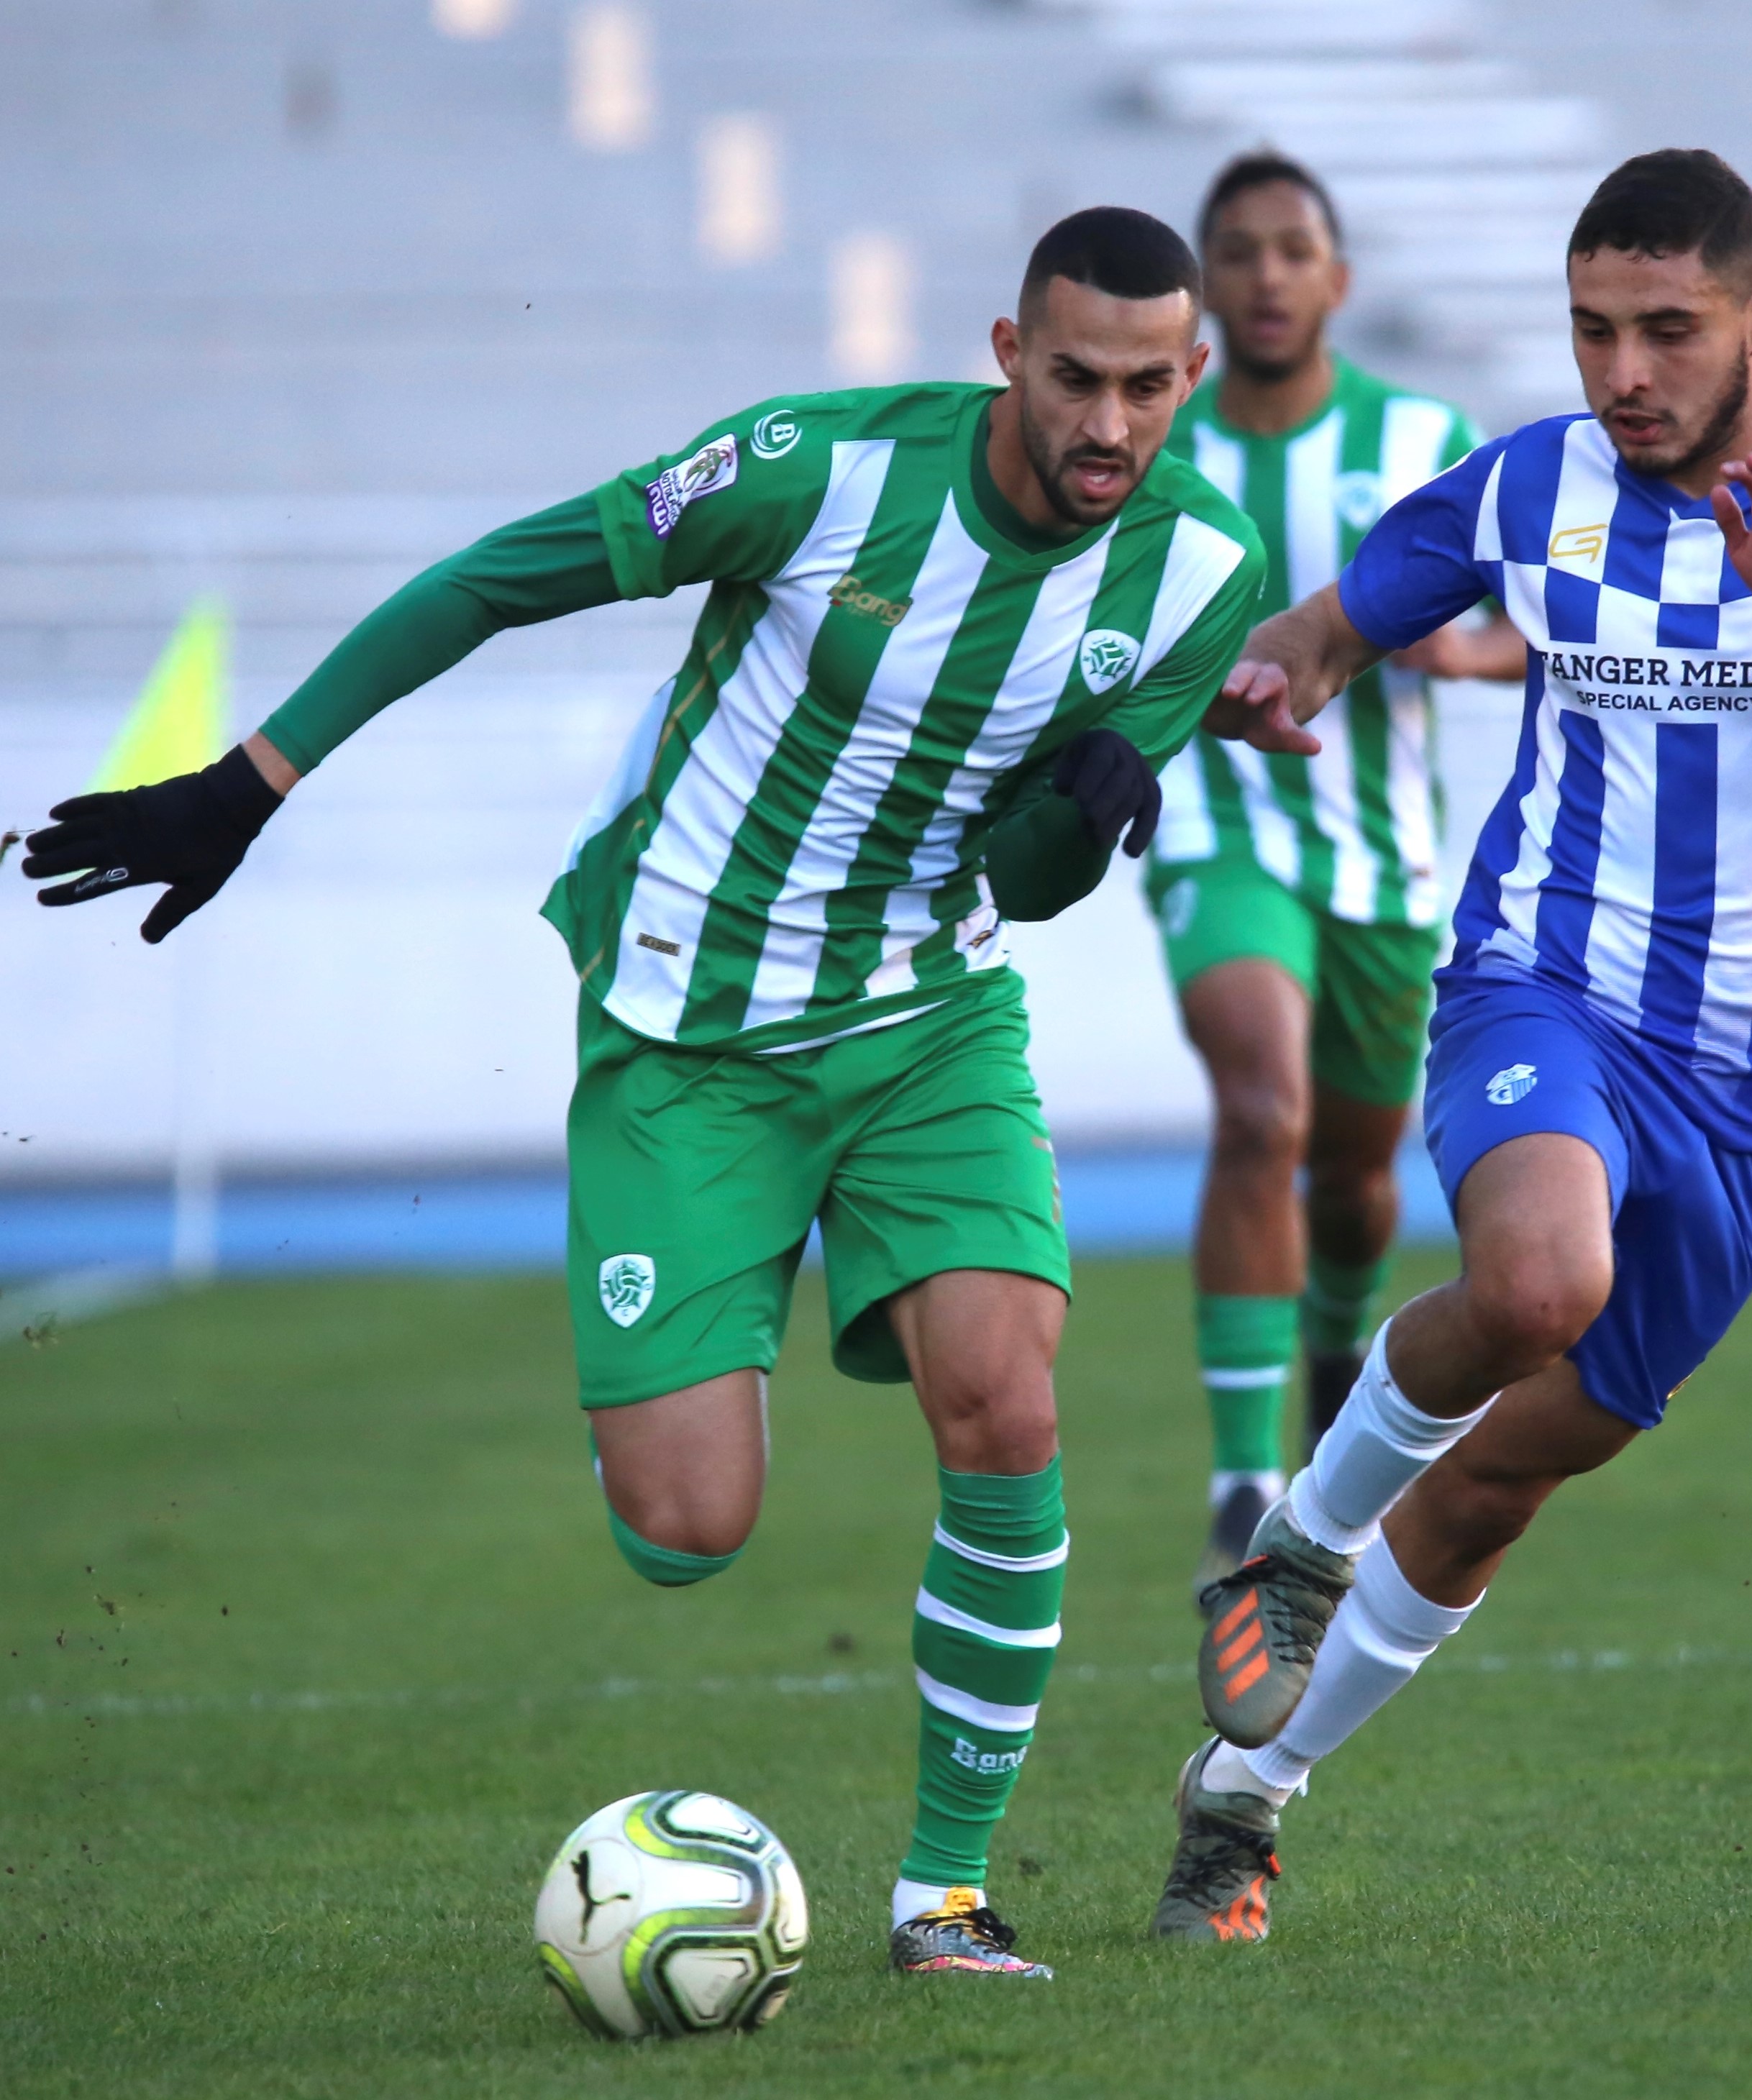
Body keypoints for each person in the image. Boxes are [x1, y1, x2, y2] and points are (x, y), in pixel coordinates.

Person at [18, 209, 1269, 1975]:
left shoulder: (1198, 574)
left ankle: (944, 1893)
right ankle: (672, 1328)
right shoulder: (817, 472)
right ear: (1007, 348)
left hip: (929, 1017)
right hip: (687, 1028)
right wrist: (250, 779)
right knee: (689, 1530)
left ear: (1189, 377)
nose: (1109, 426)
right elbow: (499, 574)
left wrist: (1082, 813)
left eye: (1149, 387)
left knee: (1006, 1399)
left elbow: (1045, 875)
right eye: (1076, 377)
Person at [1148, 148, 1752, 1943]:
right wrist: (1277, 679)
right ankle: (1296, 1539)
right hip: (1543, 985)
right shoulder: (1528, 480)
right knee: (1536, 1279)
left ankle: (1240, 1800)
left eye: (1665, 332)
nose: (1619, 372)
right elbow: (1326, 627)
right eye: (1589, 330)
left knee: (1494, 1485)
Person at [1143, 152, 1524, 1606]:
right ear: (1202, 287)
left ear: (1337, 280)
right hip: (1215, 823)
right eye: (1233, 251)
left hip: (1383, 857)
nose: (1262, 275)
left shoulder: (1420, 434)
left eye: (1290, 248)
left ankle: (1328, 1349)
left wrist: (1463, 648)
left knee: (1357, 1174)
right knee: (1261, 1103)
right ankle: (1244, 1480)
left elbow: (1563, 618)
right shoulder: (1157, 450)